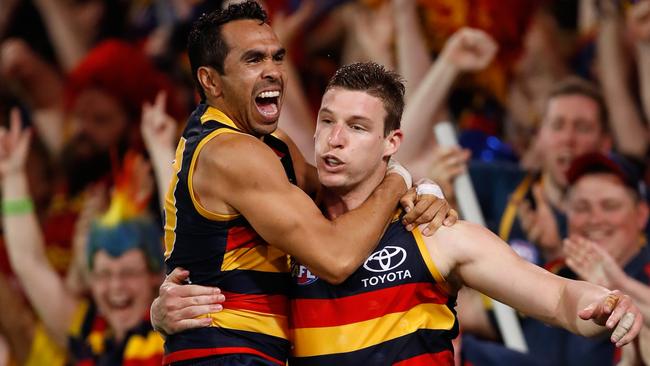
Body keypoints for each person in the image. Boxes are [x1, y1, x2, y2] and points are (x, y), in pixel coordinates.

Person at [153, 61, 644, 366]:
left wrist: (602, 305)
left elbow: (558, 299)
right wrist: (165, 311)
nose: (334, 138)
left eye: (358, 126)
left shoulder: (434, 231)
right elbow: (213, 293)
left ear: (392, 144)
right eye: (327, 121)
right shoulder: (282, 239)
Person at [157, 2, 455, 365]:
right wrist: (399, 180)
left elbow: (345, 190)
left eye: (277, 57)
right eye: (253, 60)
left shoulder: (269, 145)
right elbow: (336, 256)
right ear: (210, 80)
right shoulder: (229, 151)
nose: (273, 72)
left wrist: (425, 188)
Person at [0, 110, 166, 365]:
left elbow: (185, 247)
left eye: (129, 273)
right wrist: (12, 178)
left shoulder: (172, 331)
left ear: (155, 277)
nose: (116, 287)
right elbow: (28, 264)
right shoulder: (89, 332)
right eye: (104, 274)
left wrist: (161, 152)